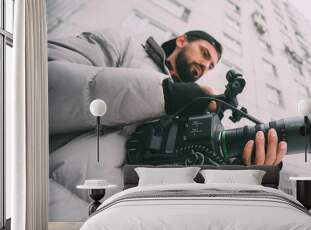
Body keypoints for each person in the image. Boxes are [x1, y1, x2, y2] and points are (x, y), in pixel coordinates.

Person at [48, 29, 287, 167]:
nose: (205, 65)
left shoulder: (193, 113)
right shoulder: (125, 46)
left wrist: (238, 169)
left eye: (211, 65)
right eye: (204, 54)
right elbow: (38, 81)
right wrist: (167, 95)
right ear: (182, 40)